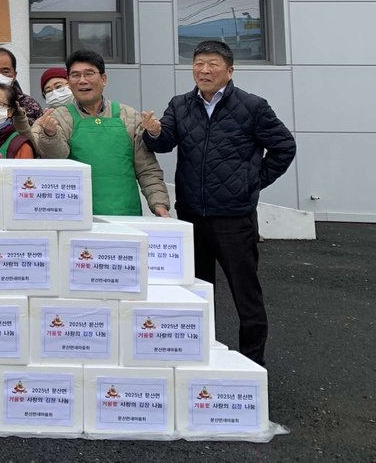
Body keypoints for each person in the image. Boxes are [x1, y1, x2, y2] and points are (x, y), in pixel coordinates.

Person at [140, 40, 296, 367]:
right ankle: (201, 358)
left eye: (212, 64)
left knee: (246, 294)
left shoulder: (252, 106)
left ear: (229, 70)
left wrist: (252, 182)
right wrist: (153, 132)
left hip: (234, 218)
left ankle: (252, 364)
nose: (204, 70)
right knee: (196, 292)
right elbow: (165, 143)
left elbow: (284, 147)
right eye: (198, 63)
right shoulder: (180, 105)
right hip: (191, 216)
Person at [32, 49, 171, 216]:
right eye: (75, 75)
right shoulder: (59, 117)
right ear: (69, 81)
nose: (82, 80)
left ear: (103, 79)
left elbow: (147, 168)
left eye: (89, 74)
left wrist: (159, 205)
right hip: (76, 215)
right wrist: (50, 135)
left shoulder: (128, 115)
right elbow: (56, 160)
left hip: (125, 214)